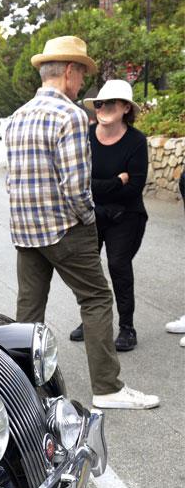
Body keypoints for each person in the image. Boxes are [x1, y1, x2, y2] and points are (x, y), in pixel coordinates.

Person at [6, 35, 158, 410]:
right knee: (97, 298)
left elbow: (14, 180)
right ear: (70, 71)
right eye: (82, 73)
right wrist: (89, 218)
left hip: (26, 230)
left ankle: (19, 392)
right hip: (64, 227)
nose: (82, 84)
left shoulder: (17, 116)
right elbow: (76, 186)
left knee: (28, 312)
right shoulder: (70, 115)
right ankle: (107, 387)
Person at [64, 80, 148, 352]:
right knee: (88, 269)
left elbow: (134, 187)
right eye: (99, 103)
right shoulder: (85, 136)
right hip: (92, 213)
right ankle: (92, 322)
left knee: (118, 265)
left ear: (125, 108)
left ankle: (127, 328)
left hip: (127, 215)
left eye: (110, 103)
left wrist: (100, 186)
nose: (103, 108)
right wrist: (115, 182)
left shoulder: (136, 141)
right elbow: (79, 182)